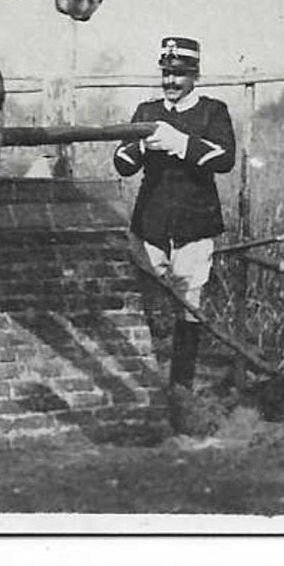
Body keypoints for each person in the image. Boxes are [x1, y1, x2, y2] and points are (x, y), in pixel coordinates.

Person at [111, 36, 236, 392]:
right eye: (166, 73)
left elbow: (225, 159)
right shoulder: (147, 112)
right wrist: (138, 143)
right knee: (142, 308)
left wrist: (179, 142)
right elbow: (122, 165)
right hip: (149, 225)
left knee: (188, 308)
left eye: (179, 74)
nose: (171, 81)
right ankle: (143, 385)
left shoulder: (213, 111)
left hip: (194, 225)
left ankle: (181, 389)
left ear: (194, 74)